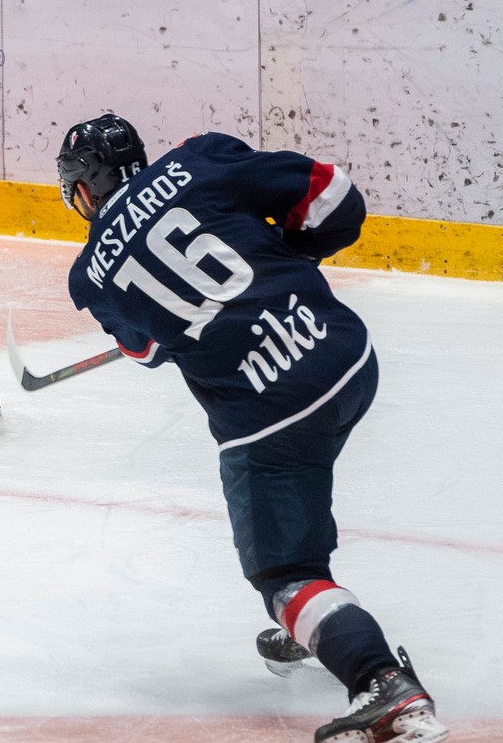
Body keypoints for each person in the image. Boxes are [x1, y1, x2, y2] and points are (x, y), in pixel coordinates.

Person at [59, 114, 449, 743]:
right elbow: (332, 196)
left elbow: (148, 350)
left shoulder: (90, 278)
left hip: (269, 417)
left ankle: (379, 681)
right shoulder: (199, 161)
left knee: (284, 571)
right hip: (346, 359)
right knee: (298, 504)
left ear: (84, 190)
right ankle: (326, 624)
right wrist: (284, 257)